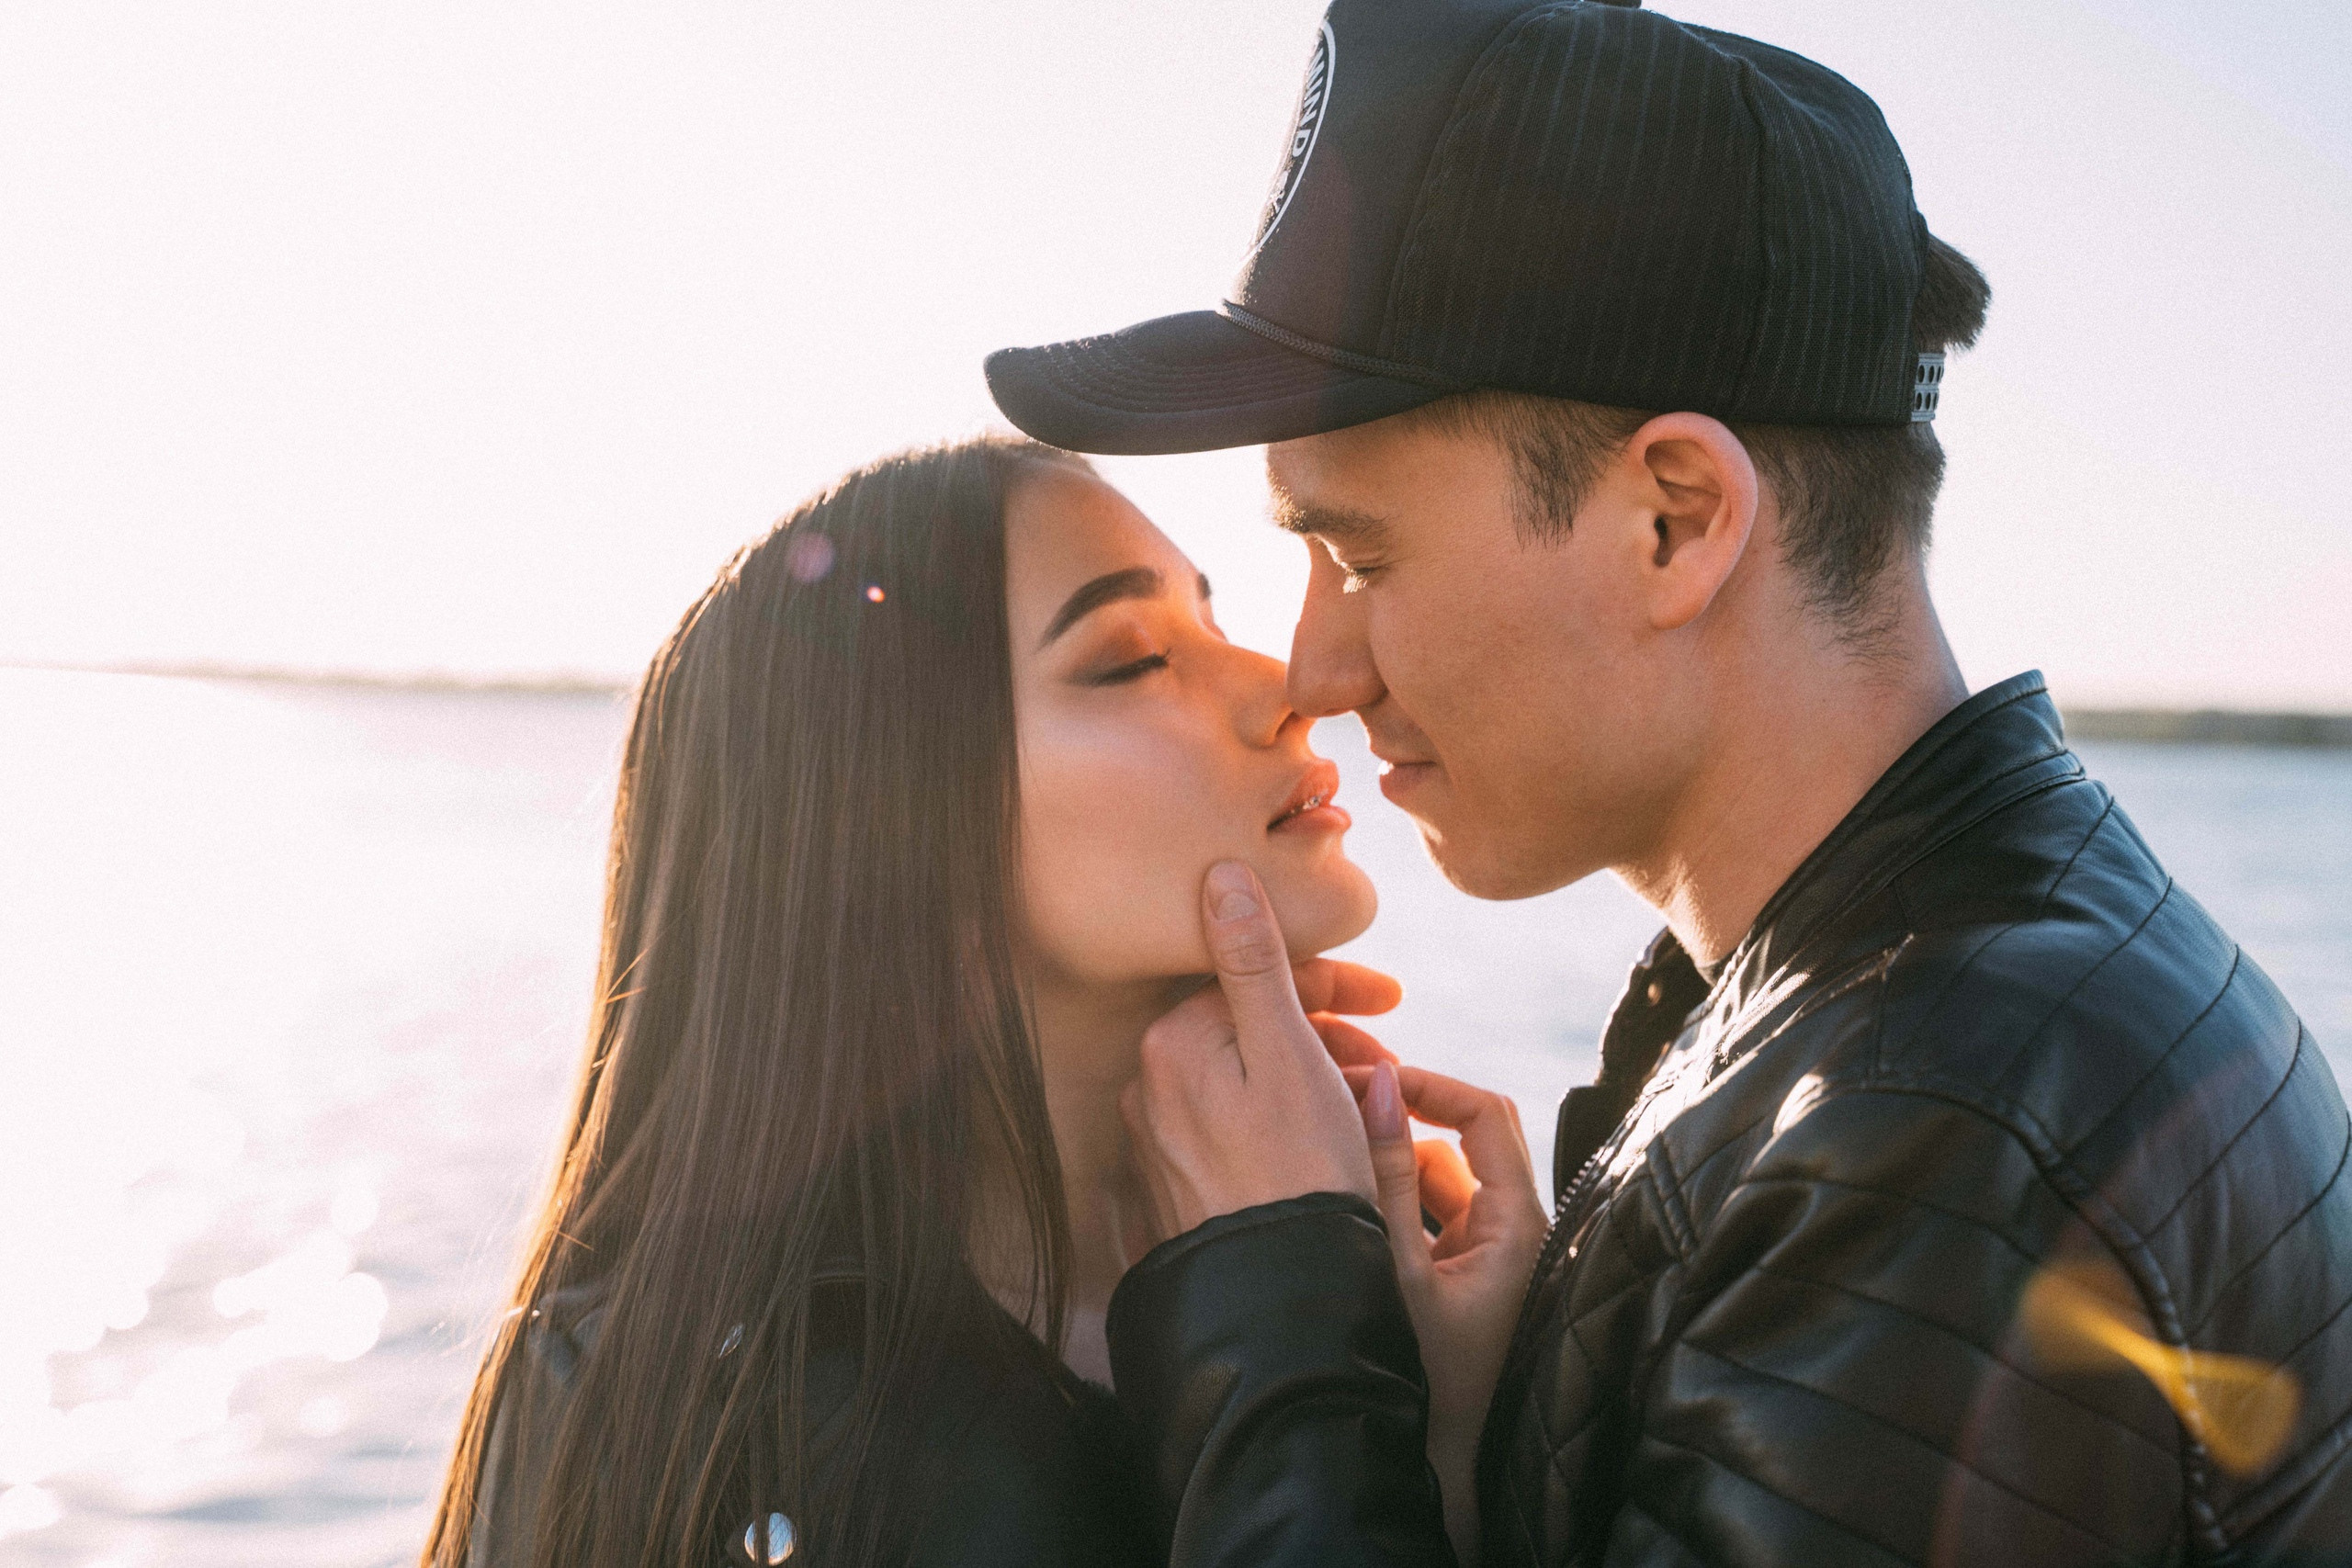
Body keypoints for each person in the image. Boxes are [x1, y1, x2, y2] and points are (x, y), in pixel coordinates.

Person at [984, 1, 2352, 1563]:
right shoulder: (1905, 1021)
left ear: (1677, 520)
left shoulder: (1935, 1133)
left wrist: (1280, 1319)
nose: (1316, 670)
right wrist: (1470, 1439)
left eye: (1360, 553)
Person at [420, 435, 1402, 1566]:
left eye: (1214, 626)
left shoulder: (1364, 1279)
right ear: (897, 843)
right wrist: (1298, 1323)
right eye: (1132, 659)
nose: (1285, 687)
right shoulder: (716, 1430)